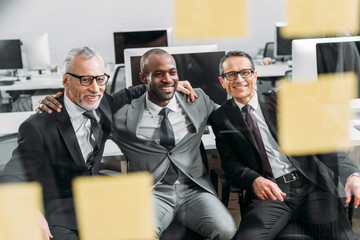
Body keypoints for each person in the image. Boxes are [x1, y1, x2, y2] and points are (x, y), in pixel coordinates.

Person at [0, 46, 194, 240]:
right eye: (85, 80)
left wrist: (167, 84)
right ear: (66, 81)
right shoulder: (39, 126)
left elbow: (130, 93)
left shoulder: (103, 105)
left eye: (100, 79)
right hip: (58, 216)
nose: (95, 89)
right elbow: (10, 180)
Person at [208, 50, 360, 240]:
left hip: (310, 186)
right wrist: (255, 180)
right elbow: (230, 163)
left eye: (245, 72)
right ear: (222, 81)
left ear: (255, 75)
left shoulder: (279, 101)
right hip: (271, 193)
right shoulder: (221, 117)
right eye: (231, 74)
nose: (239, 79)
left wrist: (352, 175)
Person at [110, 48, 237, 239]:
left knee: (226, 231)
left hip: (194, 190)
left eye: (172, 72)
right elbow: (90, 112)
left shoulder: (197, 100)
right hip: (152, 194)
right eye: (158, 74)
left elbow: (233, 117)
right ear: (143, 78)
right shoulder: (124, 117)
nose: (168, 79)